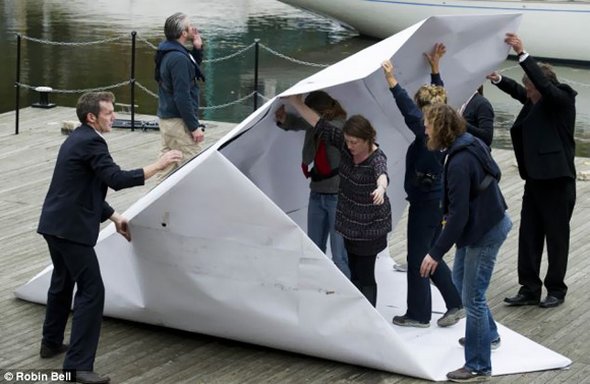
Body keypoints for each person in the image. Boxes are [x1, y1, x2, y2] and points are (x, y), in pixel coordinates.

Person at [37, 92, 182, 384]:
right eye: (108, 113)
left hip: (54, 224)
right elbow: (116, 179)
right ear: (92, 117)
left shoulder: (77, 138)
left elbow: (83, 186)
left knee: (62, 281)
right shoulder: (92, 141)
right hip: (71, 230)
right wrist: (160, 164)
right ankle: (77, 368)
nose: (113, 116)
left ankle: (50, 342)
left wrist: (114, 217)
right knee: (92, 291)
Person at [420, 103, 512, 382]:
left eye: (427, 125)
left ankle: (477, 364)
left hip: (485, 232)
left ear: (440, 129)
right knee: (462, 285)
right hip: (483, 225)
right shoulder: (467, 144)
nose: (425, 129)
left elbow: (459, 214)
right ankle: (488, 334)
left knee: (473, 298)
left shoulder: (459, 161)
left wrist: (435, 253)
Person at [489, 33, 576, 309]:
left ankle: (556, 289)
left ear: (541, 85)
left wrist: (522, 54)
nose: (527, 93)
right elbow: (519, 91)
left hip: (558, 182)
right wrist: (498, 79)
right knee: (529, 235)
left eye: (531, 88)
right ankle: (529, 287)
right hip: (535, 181)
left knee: (556, 237)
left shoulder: (561, 99)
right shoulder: (534, 101)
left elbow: (541, 87)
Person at [381, 43, 463, 329]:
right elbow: (438, 100)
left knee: (418, 257)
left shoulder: (426, 130)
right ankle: (455, 302)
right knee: (429, 254)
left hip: (426, 202)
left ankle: (418, 314)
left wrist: (392, 81)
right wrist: (435, 71)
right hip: (437, 199)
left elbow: (409, 111)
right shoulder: (446, 124)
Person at [285, 94, 392, 307]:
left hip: (370, 227)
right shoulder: (345, 145)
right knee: (352, 270)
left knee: (365, 274)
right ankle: (349, 306)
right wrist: (296, 102)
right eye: (348, 141)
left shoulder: (376, 157)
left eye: (354, 142)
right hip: (349, 222)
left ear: (367, 140)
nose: (349, 146)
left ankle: (367, 315)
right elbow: (318, 123)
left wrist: (381, 187)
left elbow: (382, 173)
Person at [275, 91, 350, 278]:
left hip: (337, 196)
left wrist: (297, 103)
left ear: (321, 112)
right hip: (317, 192)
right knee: (314, 250)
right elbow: (303, 123)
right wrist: (285, 120)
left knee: (339, 255)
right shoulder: (315, 123)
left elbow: (319, 125)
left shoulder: (341, 126)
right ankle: (318, 289)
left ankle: (345, 298)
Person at [155, 12, 206, 179]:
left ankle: (156, 203)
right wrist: (193, 127)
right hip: (178, 123)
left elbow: (188, 71)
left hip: (168, 119)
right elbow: (181, 96)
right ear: (183, 33)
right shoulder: (178, 57)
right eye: (190, 26)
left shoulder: (169, 51)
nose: (194, 28)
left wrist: (197, 48)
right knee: (195, 166)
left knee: (167, 169)